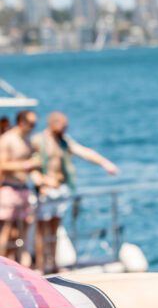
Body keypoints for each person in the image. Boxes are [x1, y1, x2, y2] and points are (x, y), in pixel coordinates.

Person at [31, 111, 119, 273]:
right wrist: (41, 182)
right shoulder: (38, 141)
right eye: (63, 125)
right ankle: (41, 264)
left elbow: (84, 152)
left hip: (61, 188)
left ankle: (52, 262)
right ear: (53, 123)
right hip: (45, 190)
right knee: (41, 230)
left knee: (55, 227)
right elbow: (31, 165)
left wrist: (105, 163)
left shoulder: (64, 141)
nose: (66, 128)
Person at [0, 110, 42, 263]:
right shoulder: (7, 140)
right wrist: (25, 165)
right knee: (5, 230)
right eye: (31, 124)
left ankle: (21, 264)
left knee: (23, 229)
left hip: (24, 188)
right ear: (21, 122)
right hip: (9, 188)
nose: (33, 127)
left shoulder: (27, 139)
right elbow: (2, 165)